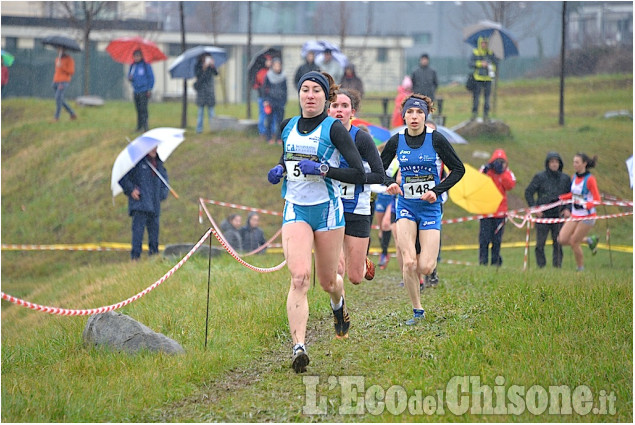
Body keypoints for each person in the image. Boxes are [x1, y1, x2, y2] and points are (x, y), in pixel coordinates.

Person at [267, 71, 365, 373]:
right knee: (299, 278)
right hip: (295, 210)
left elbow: (359, 172)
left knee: (328, 281)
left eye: (316, 91)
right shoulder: (287, 126)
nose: (310, 95)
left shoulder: (334, 129)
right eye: (305, 90)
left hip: (327, 212)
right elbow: (289, 157)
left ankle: (339, 306)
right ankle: (299, 346)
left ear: (326, 97)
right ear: (299, 95)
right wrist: (280, 168)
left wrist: (324, 168)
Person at [380, 94, 465, 325]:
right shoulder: (397, 141)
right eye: (410, 112)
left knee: (425, 267)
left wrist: (437, 191)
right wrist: (390, 184)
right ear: (403, 115)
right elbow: (380, 168)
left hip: (430, 208)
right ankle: (417, 310)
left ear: (426, 115)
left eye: (419, 112)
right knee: (409, 263)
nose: (414, 116)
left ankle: (418, 265)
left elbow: (458, 170)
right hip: (406, 206)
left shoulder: (436, 139)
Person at [328, 88, 385, 285]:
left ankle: (362, 261)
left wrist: (353, 177)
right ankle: (339, 311)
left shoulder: (362, 138)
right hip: (331, 208)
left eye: (344, 106)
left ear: (352, 112)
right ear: (328, 110)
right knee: (337, 268)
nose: (339, 110)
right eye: (335, 106)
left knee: (355, 277)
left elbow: (379, 175)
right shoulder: (322, 138)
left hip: (358, 209)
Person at [118, 147, 169, 260]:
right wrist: (131, 190)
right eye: (151, 147)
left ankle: (154, 257)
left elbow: (165, 180)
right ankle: (135, 258)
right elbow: (122, 179)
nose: (154, 149)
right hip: (140, 205)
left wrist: (163, 193)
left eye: (156, 147)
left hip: (154, 205)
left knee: (154, 235)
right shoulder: (136, 163)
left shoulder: (159, 164)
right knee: (138, 234)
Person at [524, 152, 572, 268]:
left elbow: (571, 196)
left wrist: (568, 209)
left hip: (558, 215)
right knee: (540, 244)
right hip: (543, 216)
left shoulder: (565, 179)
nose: (554, 164)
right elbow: (528, 192)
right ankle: (541, 266)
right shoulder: (540, 177)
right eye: (552, 162)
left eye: (556, 162)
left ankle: (557, 266)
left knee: (558, 242)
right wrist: (535, 208)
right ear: (547, 163)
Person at [557, 153, 601, 272]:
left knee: (574, 242)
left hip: (588, 215)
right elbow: (573, 194)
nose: (574, 164)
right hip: (575, 214)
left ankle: (580, 268)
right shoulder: (574, 177)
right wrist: (562, 198)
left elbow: (597, 199)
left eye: (577, 162)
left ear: (584, 164)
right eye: (574, 162)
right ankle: (589, 240)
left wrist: (588, 204)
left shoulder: (590, 179)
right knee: (562, 239)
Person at [478, 149, 516, 266]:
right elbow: (477, 181)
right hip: (486, 211)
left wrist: (502, 173)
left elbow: (510, 185)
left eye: (502, 162)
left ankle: (495, 262)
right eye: (497, 161)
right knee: (484, 239)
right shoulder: (486, 171)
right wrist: (486, 170)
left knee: (497, 239)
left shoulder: (507, 173)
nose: (499, 164)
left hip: (500, 213)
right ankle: (483, 262)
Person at [469, 37, 497, 121]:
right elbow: (470, 63)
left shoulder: (490, 53)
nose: (484, 45)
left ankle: (486, 115)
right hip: (478, 79)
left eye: (485, 43)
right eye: (482, 43)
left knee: (487, 98)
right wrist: (480, 64)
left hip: (488, 79)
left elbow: (495, 64)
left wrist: (490, 66)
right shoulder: (475, 52)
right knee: (476, 98)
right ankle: (474, 114)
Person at [262, 58, 287, 145]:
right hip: (270, 100)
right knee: (269, 120)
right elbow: (264, 89)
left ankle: (279, 138)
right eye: (275, 65)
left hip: (280, 101)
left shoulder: (283, 76)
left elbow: (285, 89)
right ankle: (269, 137)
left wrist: (284, 100)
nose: (277, 67)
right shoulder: (268, 76)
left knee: (280, 121)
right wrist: (265, 100)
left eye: (278, 65)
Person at [128, 49, 154, 132]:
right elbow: (130, 76)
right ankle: (139, 126)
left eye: (138, 56)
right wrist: (130, 78)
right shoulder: (133, 66)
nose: (136, 58)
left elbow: (151, 77)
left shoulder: (146, 65)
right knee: (138, 109)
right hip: (136, 90)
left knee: (143, 109)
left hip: (144, 90)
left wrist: (149, 88)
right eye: (135, 56)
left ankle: (145, 126)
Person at [194, 53, 219, 134]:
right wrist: (203, 69)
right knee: (200, 113)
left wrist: (212, 66)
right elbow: (198, 76)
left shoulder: (210, 67)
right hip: (201, 92)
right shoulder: (198, 66)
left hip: (209, 92)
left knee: (211, 112)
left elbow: (216, 73)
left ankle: (213, 129)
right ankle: (199, 130)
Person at [52, 47, 77, 122]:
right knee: (60, 99)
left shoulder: (69, 59)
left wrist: (62, 66)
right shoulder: (57, 59)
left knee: (58, 98)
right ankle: (72, 113)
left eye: (61, 49)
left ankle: (56, 117)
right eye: (58, 49)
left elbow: (71, 71)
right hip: (56, 81)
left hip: (63, 81)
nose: (59, 51)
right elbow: (57, 71)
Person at [254, 55, 273, 139]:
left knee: (273, 115)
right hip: (262, 96)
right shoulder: (261, 72)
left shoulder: (273, 72)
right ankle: (262, 131)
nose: (269, 63)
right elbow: (257, 84)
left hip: (272, 97)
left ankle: (272, 131)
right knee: (263, 114)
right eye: (268, 61)